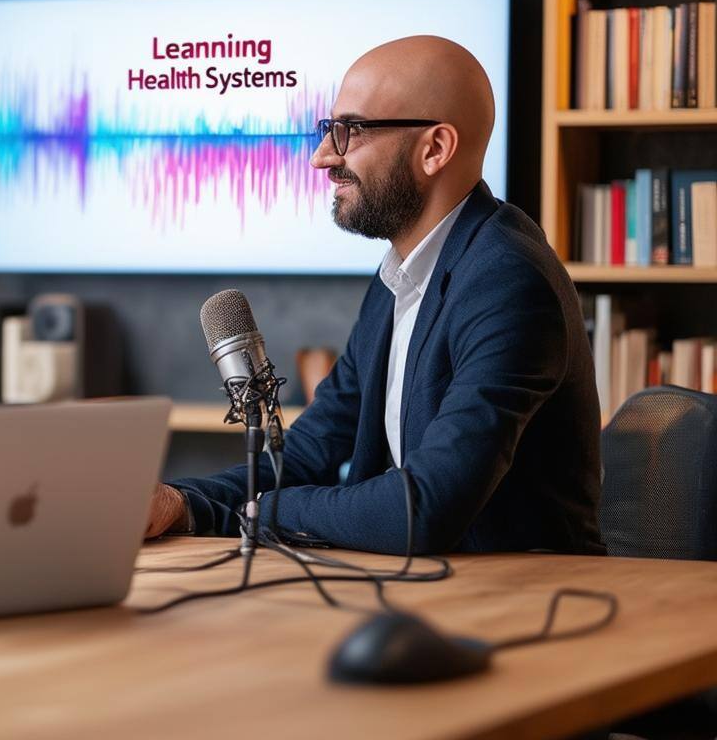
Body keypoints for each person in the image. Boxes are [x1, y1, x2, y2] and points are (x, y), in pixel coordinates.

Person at [146, 36, 604, 555]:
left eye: (351, 131)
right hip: (430, 589)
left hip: (527, 598)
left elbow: (423, 507)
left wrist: (260, 513)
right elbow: (309, 451)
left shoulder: (507, 281)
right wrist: (179, 504)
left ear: (434, 149)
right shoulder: (400, 276)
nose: (322, 157)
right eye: (328, 131)